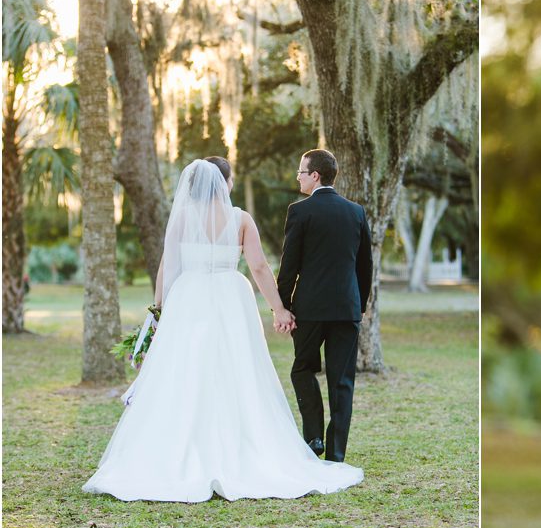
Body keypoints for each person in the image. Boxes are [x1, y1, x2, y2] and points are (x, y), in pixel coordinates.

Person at [83, 157, 363, 502]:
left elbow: (166, 266)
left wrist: (159, 310)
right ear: (225, 183)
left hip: (188, 297)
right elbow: (259, 267)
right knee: (237, 369)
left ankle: (177, 449)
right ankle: (240, 447)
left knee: (185, 370)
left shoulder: (183, 217)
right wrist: (280, 308)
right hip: (231, 298)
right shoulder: (240, 219)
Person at [277, 149, 373, 463]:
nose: (298, 177)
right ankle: (336, 452)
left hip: (310, 309)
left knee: (303, 368)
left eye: (301, 172)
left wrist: (284, 305)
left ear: (315, 175)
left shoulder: (299, 211)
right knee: (342, 379)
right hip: (347, 308)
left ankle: (314, 435)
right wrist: (359, 304)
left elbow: (289, 264)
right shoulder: (356, 212)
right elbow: (365, 266)